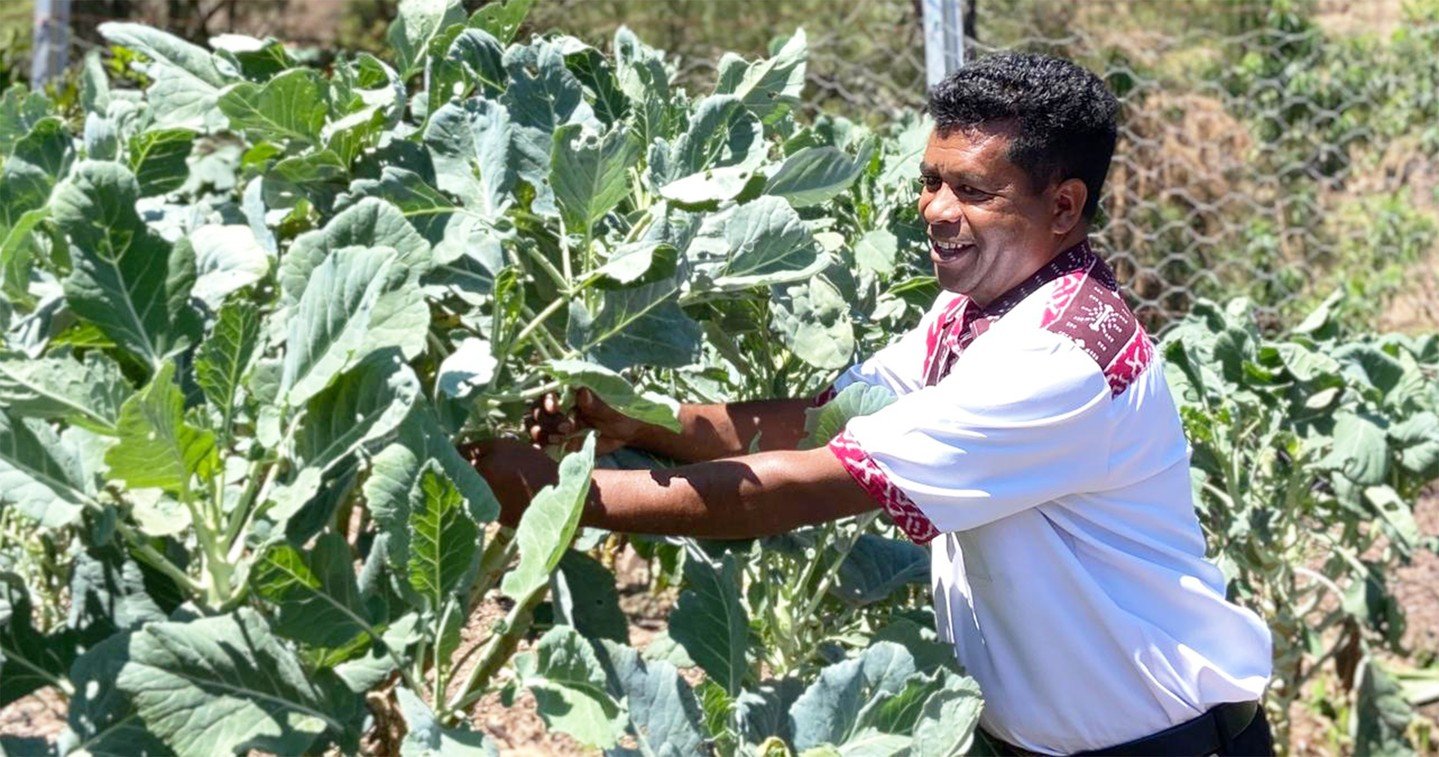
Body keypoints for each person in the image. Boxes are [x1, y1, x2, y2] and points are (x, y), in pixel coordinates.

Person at [467, 52, 1274, 756]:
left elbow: (804, 484)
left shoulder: (1054, 358)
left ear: (1061, 207)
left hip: (1160, 744)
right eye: (930, 180)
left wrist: (560, 498)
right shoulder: (985, 304)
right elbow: (828, 417)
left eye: (970, 189)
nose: (933, 209)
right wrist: (632, 417)